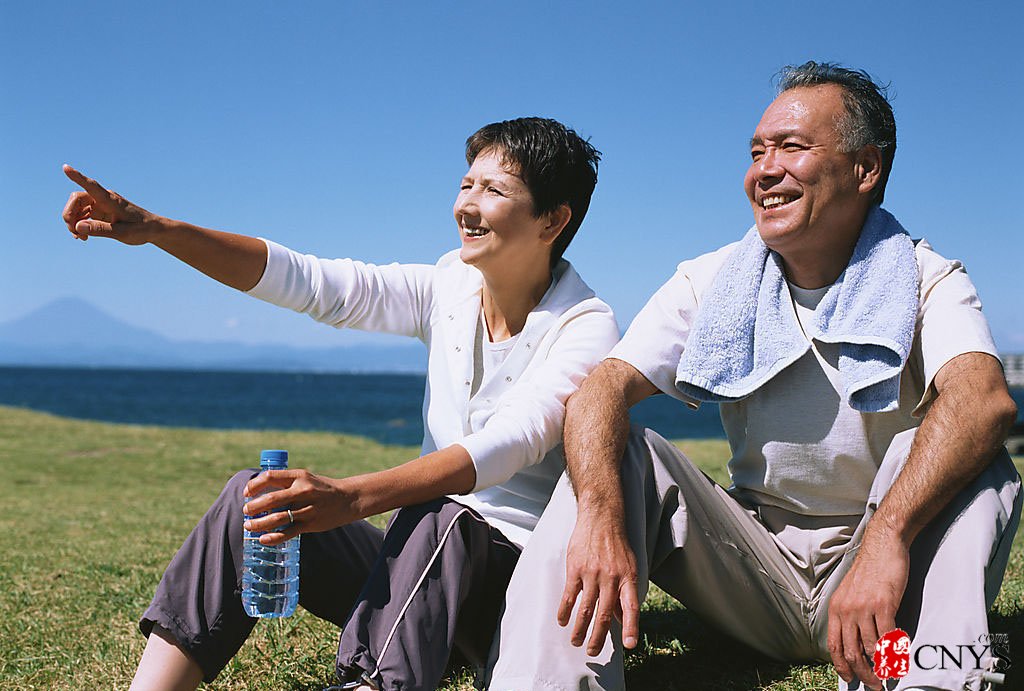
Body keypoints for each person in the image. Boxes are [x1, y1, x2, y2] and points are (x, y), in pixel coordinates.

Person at [486, 63, 1021, 691]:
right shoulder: (716, 281)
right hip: (755, 572)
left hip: (885, 593)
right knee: (619, 451)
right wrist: (601, 516)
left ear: (865, 169)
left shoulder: (927, 278)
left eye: (792, 147)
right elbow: (600, 391)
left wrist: (887, 540)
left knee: (978, 457)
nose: (764, 171)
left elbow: (984, 404)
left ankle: (932, 680)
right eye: (757, 151)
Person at [60, 117, 620, 691]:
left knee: (443, 512)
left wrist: (351, 497)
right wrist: (160, 230)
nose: (467, 205)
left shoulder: (586, 325)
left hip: (514, 602)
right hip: (420, 583)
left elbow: (510, 444)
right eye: (466, 185)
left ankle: (371, 682)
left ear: (553, 219)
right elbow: (312, 284)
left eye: (494, 190)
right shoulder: (449, 285)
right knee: (257, 497)